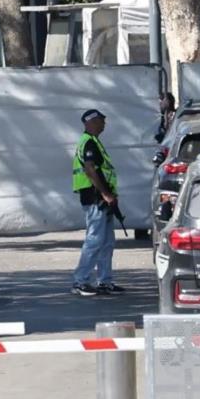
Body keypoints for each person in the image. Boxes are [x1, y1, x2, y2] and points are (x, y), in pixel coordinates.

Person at [71, 109, 125, 296]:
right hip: (95, 198)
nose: (104, 124)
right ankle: (80, 281)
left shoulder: (93, 142)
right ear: (91, 122)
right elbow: (90, 170)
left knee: (107, 242)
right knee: (94, 241)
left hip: (102, 198)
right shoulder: (88, 143)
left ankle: (105, 281)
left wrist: (109, 195)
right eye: (101, 120)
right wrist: (106, 194)